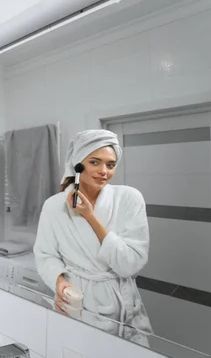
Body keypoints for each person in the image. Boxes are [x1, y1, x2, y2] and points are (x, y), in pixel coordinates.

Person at [33, 129, 153, 346]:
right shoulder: (53, 206)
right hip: (76, 300)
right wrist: (59, 282)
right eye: (95, 162)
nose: (103, 171)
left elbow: (131, 264)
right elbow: (45, 255)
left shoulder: (129, 198)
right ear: (78, 164)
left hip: (120, 304)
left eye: (110, 164)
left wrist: (89, 216)